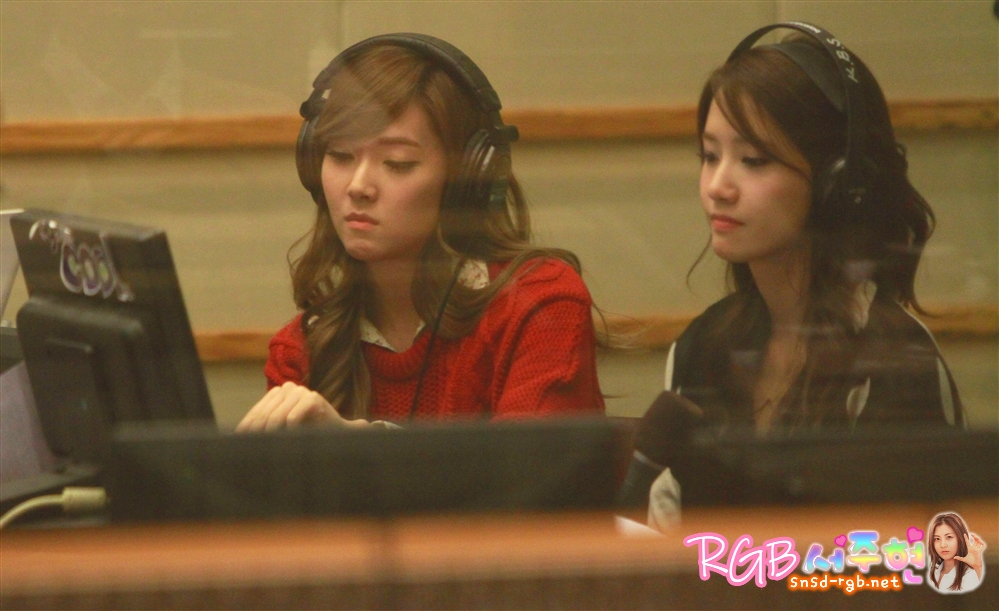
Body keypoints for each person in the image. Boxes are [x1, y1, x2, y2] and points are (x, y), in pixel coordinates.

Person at [645, 22, 964, 530]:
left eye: (753, 160)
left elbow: (916, 564)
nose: (717, 186)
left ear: (839, 185)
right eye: (709, 155)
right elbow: (659, 540)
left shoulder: (893, 360)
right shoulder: (700, 346)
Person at [238, 34, 604, 431]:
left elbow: (526, 468)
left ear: (467, 179)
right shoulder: (301, 350)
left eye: (397, 163)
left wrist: (355, 444)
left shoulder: (539, 303)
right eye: (340, 156)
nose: (358, 186)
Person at [927, 512, 986, 593]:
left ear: (960, 538)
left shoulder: (969, 576)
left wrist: (978, 568)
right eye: (937, 539)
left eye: (949, 537)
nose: (942, 545)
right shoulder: (933, 572)